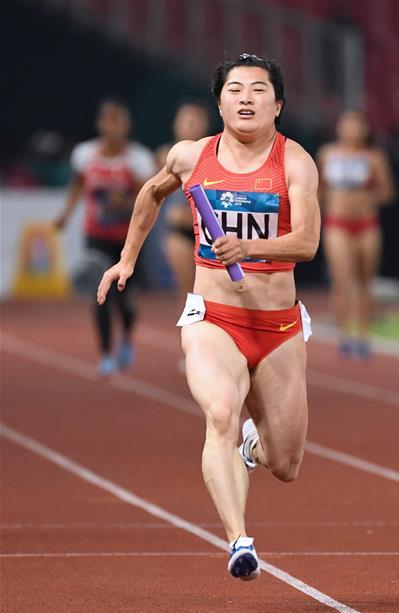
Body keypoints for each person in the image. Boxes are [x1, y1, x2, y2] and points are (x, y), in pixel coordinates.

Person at [97, 53, 321, 580]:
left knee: (285, 464)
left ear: (279, 105)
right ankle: (239, 541)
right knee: (220, 411)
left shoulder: (295, 162)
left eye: (259, 90)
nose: (246, 98)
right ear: (218, 101)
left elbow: (308, 242)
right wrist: (127, 258)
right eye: (236, 89)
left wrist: (247, 245)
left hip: (278, 324)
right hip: (213, 316)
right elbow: (152, 192)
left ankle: (253, 444)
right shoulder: (191, 156)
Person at [55, 98, 155, 376]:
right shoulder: (85, 154)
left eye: (118, 120)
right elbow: (77, 186)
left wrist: (122, 201)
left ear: (127, 125)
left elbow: (146, 198)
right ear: (99, 123)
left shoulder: (138, 159)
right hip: (96, 236)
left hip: (128, 242)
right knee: (99, 295)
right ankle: (105, 355)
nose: (112, 126)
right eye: (107, 120)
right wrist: (65, 215)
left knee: (124, 301)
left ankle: (125, 337)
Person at [317, 109, 395, 359]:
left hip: (366, 224)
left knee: (364, 281)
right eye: (347, 124)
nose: (352, 130)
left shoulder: (374, 157)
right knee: (342, 279)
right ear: (339, 128)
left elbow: (387, 192)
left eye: (357, 125)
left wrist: (366, 197)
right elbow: (318, 190)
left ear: (365, 129)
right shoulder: (327, 154)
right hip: (336, 223)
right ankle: (343, 335)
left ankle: (363, 335)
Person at [156, 102, 211, 303]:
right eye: (186, 120)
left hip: (208, 233)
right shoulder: (165, 155)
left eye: (196, 121)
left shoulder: (215, 155)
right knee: (188, 292)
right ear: (176, 124)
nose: (190, 125)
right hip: (178, 232)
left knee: (209, 292)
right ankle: (188, 332)